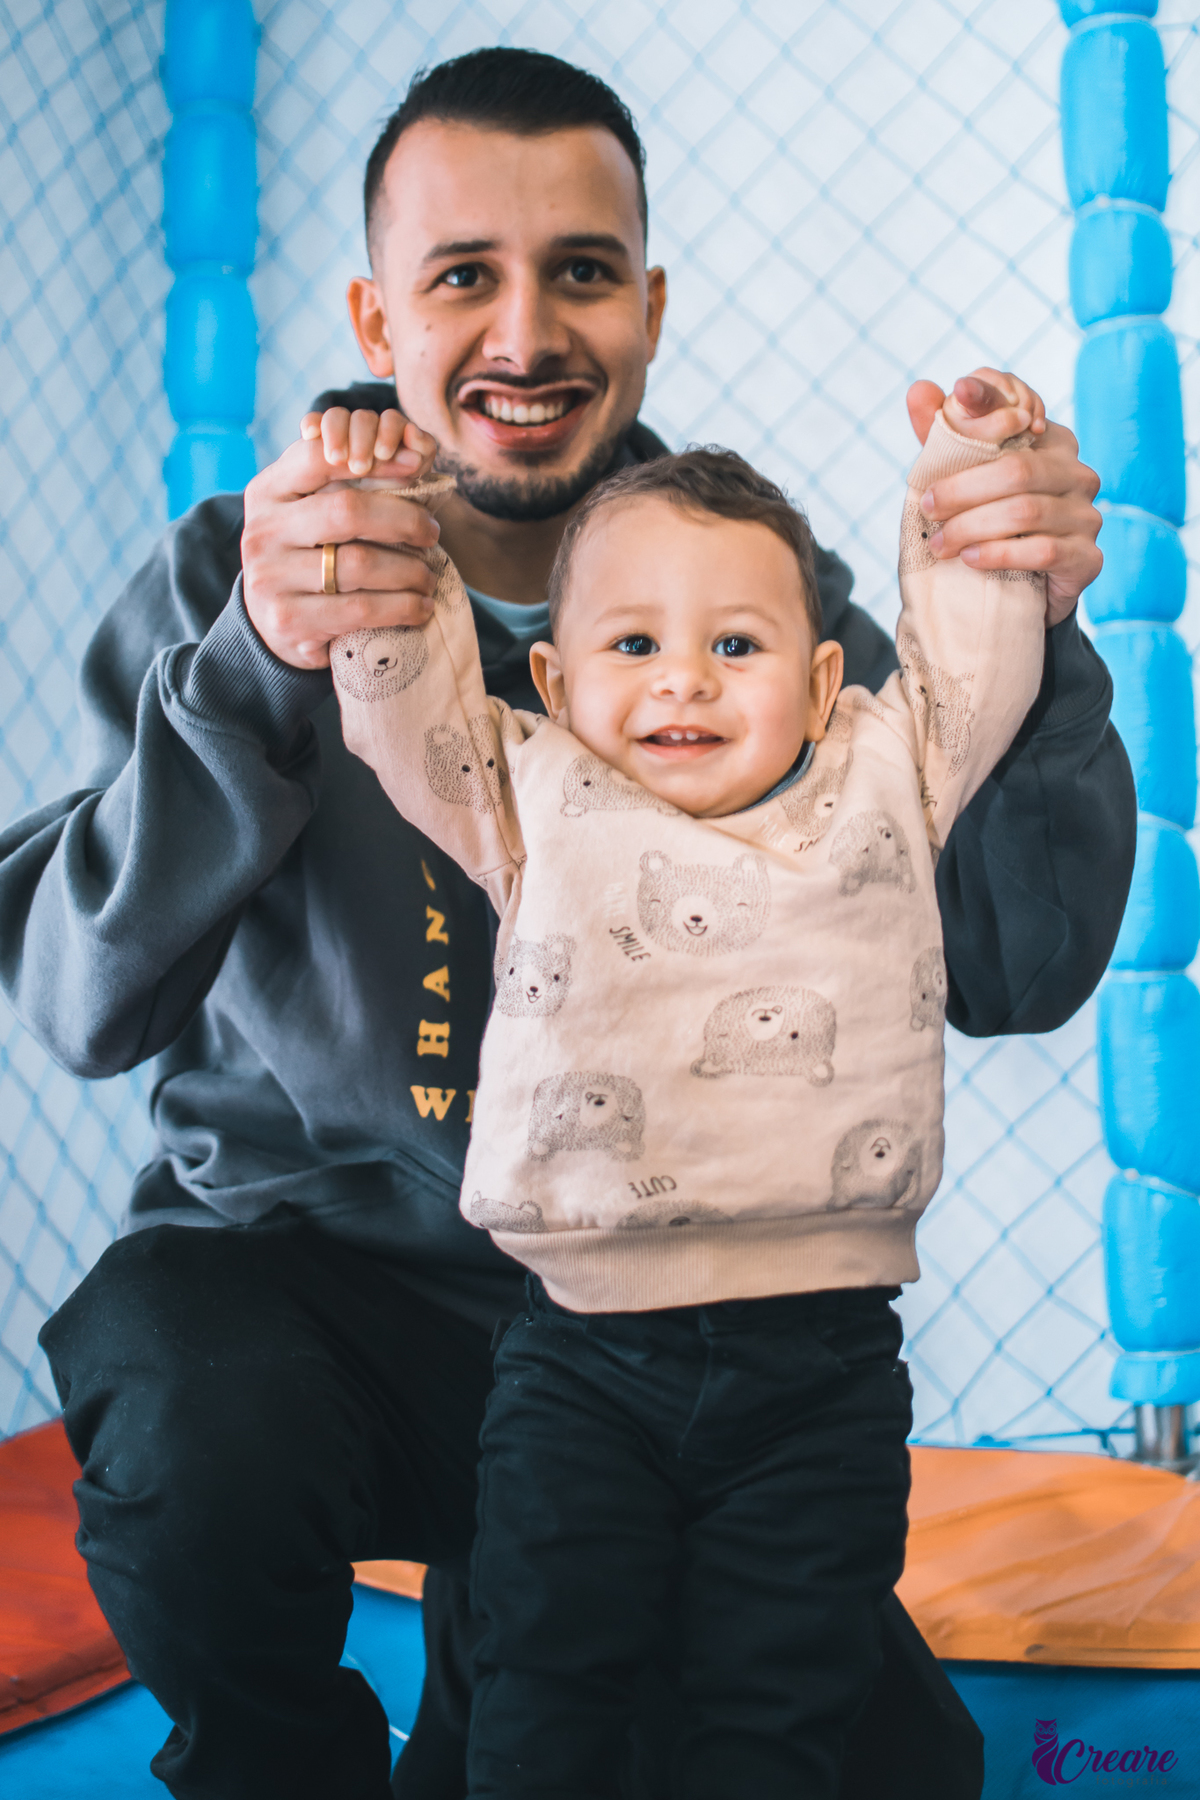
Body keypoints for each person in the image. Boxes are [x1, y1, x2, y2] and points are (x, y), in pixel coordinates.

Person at [0, 44, 1131, 1800]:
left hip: (668, 1331)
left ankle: (487, 1673)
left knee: (875, 1768)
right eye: (465, 277)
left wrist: (1037, 635)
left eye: (581, 272)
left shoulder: (751, 605)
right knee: (178, 1368)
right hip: (331, 1312)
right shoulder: (245, 572)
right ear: (381, 307)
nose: (525, 334)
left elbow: (1015, 968)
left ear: (652, 305)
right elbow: (77, 1006)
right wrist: (253, 672)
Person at [327, 375, 1049, 1798]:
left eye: (736, 643)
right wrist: (382, 516)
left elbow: (980, 658)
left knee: (777, 1709)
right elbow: (398, 696)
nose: (683, 680)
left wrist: (976, 465)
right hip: (582, 1362)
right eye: (637, 643)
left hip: (821, 1369)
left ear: (822, 680)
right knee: (543, 1688)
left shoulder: (881, 777)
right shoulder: (526, 790)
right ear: (553, 682)